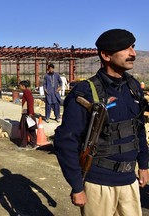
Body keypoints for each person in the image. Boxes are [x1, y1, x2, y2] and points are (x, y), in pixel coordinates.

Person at [54, 29, 149, 216]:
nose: (133, 53)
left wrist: (144, 164)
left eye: (133, 47)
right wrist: (76, 186)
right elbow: (66, 142)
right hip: (98, 184)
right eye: (125, 48)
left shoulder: (133, 88)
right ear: (106, 55)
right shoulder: (85, 92)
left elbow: (138, 130)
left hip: (129, 181)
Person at [19, 80, 37, 148]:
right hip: (26, 112)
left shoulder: (27, 92)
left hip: (27, 113)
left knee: (28, 129)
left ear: (23, 86)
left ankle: (27, 143)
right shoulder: (26, 92)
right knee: (26, 128)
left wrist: (30, 113)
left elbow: (30, 102)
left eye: (20, 86)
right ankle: (30, 143)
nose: (19, 87)